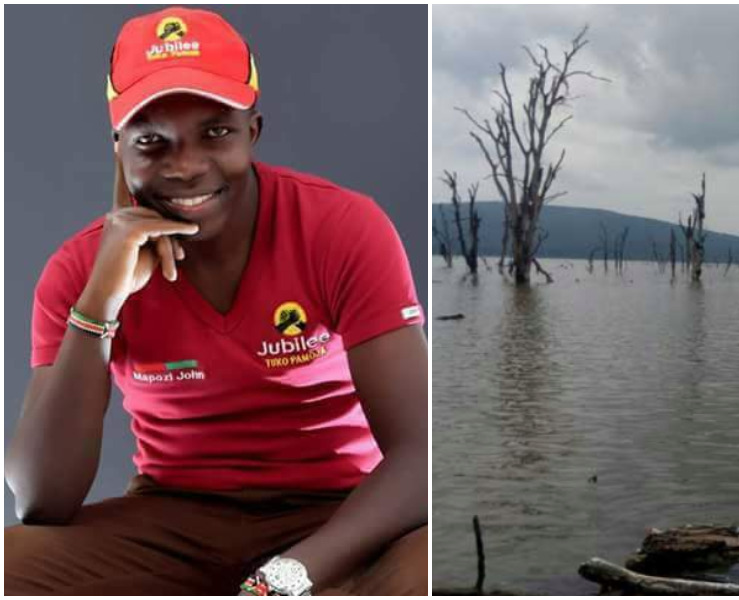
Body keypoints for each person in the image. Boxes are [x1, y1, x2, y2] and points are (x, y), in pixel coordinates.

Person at [4, 6, 427, 596]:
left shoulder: (343, 228)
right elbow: (42, 499)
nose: (186, 167)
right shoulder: (78, 270)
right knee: (10, 566)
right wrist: (99, 303)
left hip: (344, 513)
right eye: (152, 141)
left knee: (425, 568)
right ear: (118, 145)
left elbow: (422, 452)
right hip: (174, 519)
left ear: (253, 130)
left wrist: (288, 576)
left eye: (216, 132)